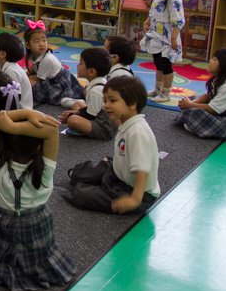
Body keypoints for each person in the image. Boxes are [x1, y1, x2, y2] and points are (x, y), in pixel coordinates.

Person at [0, 109, 76, 291]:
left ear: (4, 144)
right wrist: (15, 126)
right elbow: (51, 131)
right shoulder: (44, 171)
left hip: (4, 224)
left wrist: (21, 117)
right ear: (39, 147)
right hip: (37, 229)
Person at [65, 76, 160, 214]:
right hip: (118, 174)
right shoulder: (126, 121)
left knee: (82, 195)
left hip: (135, 192)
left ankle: (94, 187)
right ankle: (90, 181)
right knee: (81, 172)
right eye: (105, 101)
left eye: (113, 101)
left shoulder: (137, 132)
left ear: (132, 104)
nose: (106, 105)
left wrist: (134, 199)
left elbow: (142, 170)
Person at [141, 0, 185, 103]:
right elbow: (153, 11)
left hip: (167, 38)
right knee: (158, 63)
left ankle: (166, 93)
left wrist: (173, 38)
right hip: (157, 36)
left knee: (166, 65)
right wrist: (147, 22)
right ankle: (158, 89)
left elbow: (178, 21)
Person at [60, 47, 116, 140]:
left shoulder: (95, 91)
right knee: (77, 104)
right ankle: (83, 127)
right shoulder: (100, 82)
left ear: (92, 72)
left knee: (72, 121)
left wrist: (72, 115)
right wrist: (77, 111)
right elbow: (91, 109)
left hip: (104, 127)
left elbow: (90, 115)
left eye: (81, 63)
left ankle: (84, 130)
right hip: (98, 116)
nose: (77, 66)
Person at [25, 23, 84, 106]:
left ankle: (74, 102)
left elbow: (39, 78)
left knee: (27, 81)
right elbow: (33, 66)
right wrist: (26, 74)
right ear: (27, 45)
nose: (41, 44)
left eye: (44, 40)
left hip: (57, 86)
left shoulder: (47, 60)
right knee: (26, 80)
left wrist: (24, 78)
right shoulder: (35, 55)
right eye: (36, 41)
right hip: (49, 80)